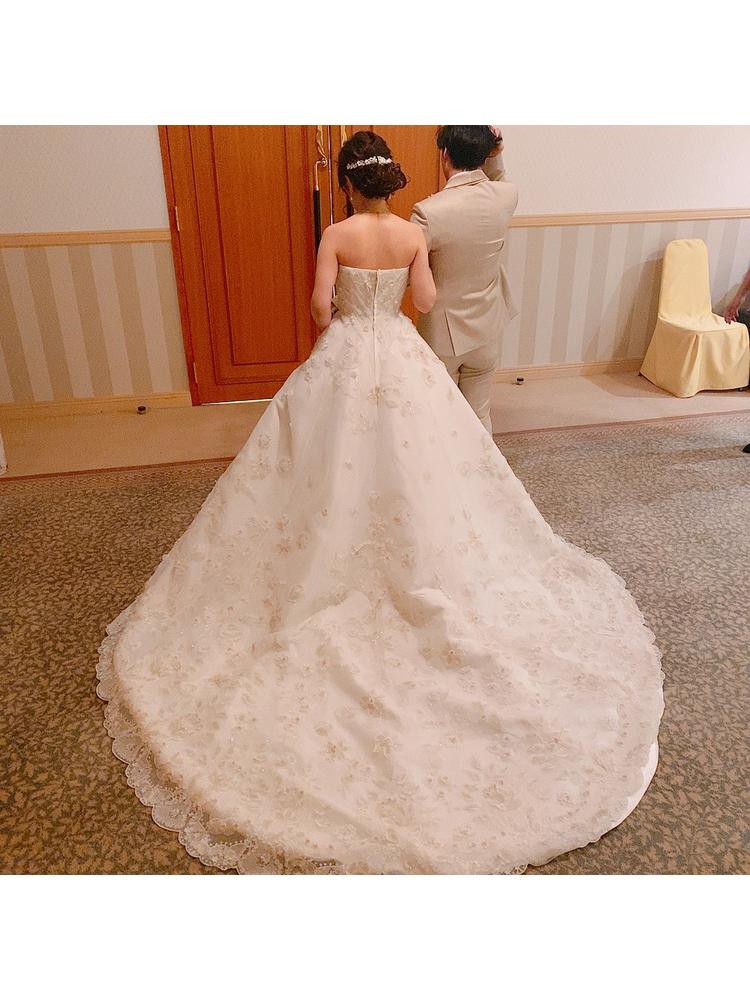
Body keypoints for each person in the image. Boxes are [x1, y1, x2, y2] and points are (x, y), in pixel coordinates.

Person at [97, 131, 663, 875]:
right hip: (399, 352)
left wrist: (344, 312)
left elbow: (318, 310)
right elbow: (424, 301)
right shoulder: (411, 232)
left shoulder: (335, 233)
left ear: (345, 182)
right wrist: (394, 299)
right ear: (391, 181)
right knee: (427, 457)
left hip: (344, 355)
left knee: (317, 463)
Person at [410, 126, 518, 433]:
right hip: (488, 325)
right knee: (479, 415)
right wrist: (496, 148)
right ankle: (484, 464)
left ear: (445, 155)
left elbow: (408, 271)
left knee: (441, 420)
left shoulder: (428, 212)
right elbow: (497, 177)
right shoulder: (506, 196)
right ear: (486, 154)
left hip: (442, 334)